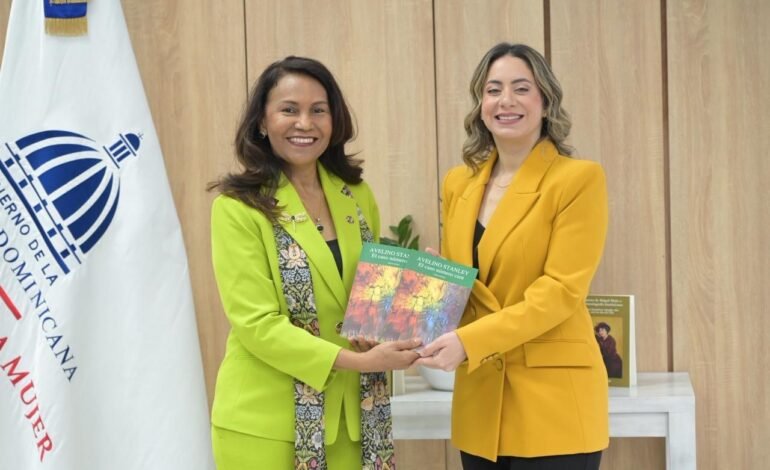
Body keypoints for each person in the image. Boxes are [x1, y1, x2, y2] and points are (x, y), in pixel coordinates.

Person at [208, 56, 420, 469]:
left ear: (334, 121)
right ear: (262, 121)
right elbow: (258, 325)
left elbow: (367, 301)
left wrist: (417, 286)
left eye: (318, 110)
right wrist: (360, 363)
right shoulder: (237, 207)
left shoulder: (356, 195)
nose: (304, 123)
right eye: (289, 110)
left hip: (355, 423)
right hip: (266, 425)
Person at [417, 43, 609, 469]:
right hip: (481, 404)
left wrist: (469, 342)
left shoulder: (578, 179)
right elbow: (471, 285)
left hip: (553, 406)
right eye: (493, 90)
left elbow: (560, 292)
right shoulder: (457, 183)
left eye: (521, 89)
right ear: (481, 105)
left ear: (546, 102)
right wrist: (437, 283)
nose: (506, 101)